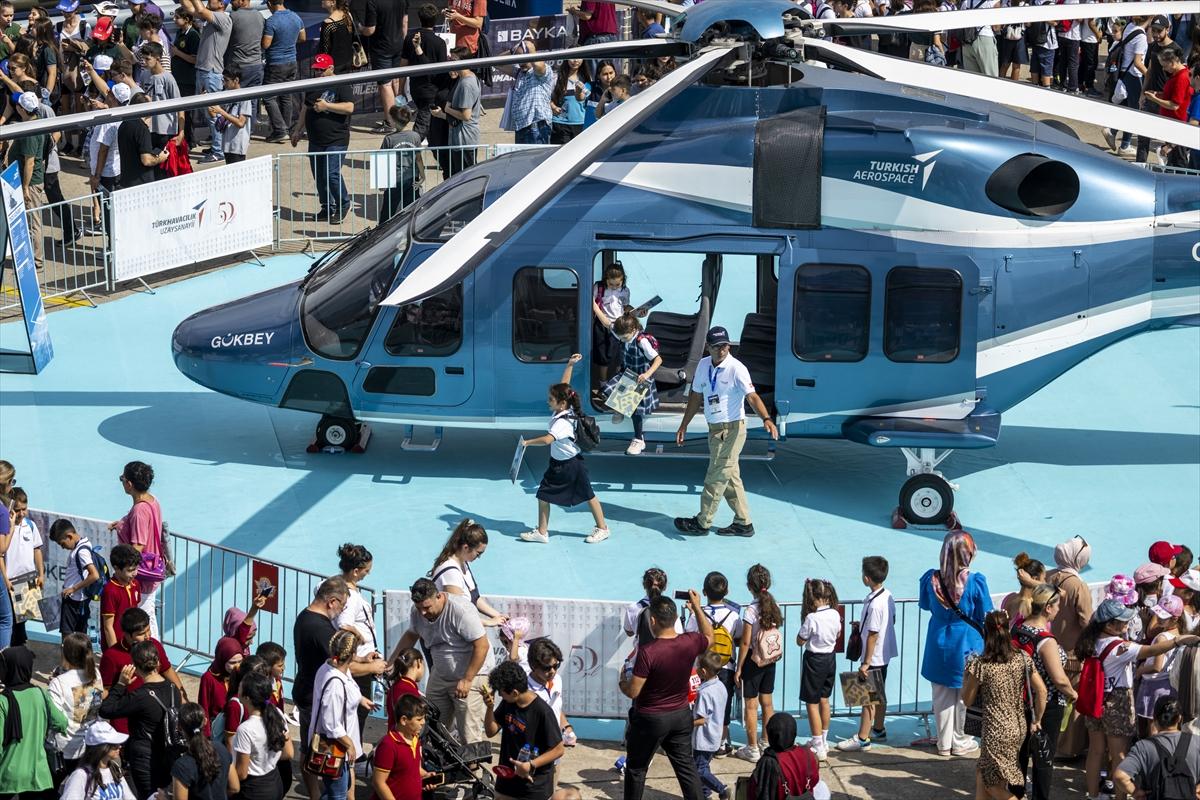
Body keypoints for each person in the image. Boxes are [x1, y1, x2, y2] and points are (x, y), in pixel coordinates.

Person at [1077, 598, 1200, 800]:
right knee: (1119, 754)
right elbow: (1152, 650)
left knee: (1096, 751)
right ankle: (1119, 798)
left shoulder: (1091, 642)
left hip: (1094, 699)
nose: (1127, 624)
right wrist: (1178, 640)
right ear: (1109, 624)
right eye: (1123, 621)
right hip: (1117, 701)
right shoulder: (1120, 647)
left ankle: (1092, 795)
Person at [674, 326, 779, 537]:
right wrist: (684, 424)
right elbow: (695, 397)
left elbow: (752, 397)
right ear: (708, 348)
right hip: (714, 430)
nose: (722, 350)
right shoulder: (703, 366)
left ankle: (702, 522)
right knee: (731, 477)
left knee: (716, 475)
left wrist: (766, 418)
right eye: (717, 347)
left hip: (733, 430)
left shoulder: (737, 368)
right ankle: (743, 523)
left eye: (725, 346)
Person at [293, 575, 386, 788]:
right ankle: (324, 793)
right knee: (316, 751)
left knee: (311, 749)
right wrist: (373, 667)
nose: (342, 611)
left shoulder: (307, 617)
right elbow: (343, 664)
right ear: (332, 601)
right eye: (342, 606)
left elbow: (337, 656)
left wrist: (362, 657)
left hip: (307, 689)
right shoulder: (320, 628)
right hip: (315, 695)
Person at [620, 590, 713, 800]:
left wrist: (621, 683)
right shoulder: (689, 642)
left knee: (636, 769)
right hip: (680, 715)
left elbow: (634, 690)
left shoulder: (648, 651)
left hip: (650, 719)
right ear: (674, 619)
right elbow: (709, 636)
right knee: (686, 769)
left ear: (653, 620)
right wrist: (697, 607)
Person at [519, 353, 611, 544]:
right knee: (543, 494)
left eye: (550, 399)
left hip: (572, 465)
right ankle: (542, 532)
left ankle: (603, 528)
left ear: (561, 403)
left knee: (589, 495)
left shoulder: (562, 423)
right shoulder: (563, 408)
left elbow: (546, 440)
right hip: (557, 464)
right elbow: (564, 385)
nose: (548, 401)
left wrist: (527, 443)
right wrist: (569, 365)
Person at [390, 578, 492, 746]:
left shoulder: (460, 610)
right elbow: (411, 634)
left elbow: (482, 645)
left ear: (439, 596)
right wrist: (392, 660)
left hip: (471, 674)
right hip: (440, 674)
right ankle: (440, 769)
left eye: (427, 607)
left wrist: (467, 679)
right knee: (432, 726)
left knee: (468, 732)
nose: (423, 613)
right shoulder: (418, 613)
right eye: (419, 607)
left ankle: (474, 771)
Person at [919, 530, 992, 757]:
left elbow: (924, 605)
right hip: (967, 643)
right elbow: (985, 612)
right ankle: (961, 742)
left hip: (938, 640)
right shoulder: (975, 582)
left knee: (941, 696)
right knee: (965, 696)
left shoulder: (930, 579)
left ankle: (943, 743)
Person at [962, 610, 1049, 800]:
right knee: (986, 774)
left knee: (990, 783)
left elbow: (967, 700)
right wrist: (1037, 720)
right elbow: (1042, 691)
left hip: (994, 729)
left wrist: (966, 677)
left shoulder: (980, 664)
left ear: (986, 632)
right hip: (1017, 728)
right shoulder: (1022, 658)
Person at [1011, 583, 1077, 800]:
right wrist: (1073, 694)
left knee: (1019, 756)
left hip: (1020, 699)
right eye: (1057, 605)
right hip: (1046, 705)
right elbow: (1058, 679)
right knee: (1043, 760)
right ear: (1048, 608)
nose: (1059, 610)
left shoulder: (1019, 629)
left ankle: (1015, 795)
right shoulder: (1045, 640)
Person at [99, 640, 185, 800]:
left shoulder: (140, 696)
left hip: (145, 761)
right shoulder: (174, 690)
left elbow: (106, 709)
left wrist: (120, 684)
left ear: (135, 667)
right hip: (168, 756)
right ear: (158, 662)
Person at [837, 556, 897, 754]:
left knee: (867, 698)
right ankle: (878, 728)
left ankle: (863, 738)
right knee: (879, 694)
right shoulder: (887, 596)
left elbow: (873, 634)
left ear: (866, 578)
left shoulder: (874, 605)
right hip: (884, 654)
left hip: (874, 656)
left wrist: (865, 662)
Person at [484, 659, 564, 800]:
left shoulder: (543, 712)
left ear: (515, 693)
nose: (501, 696)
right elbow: (491, 732)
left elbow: (559, 749)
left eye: (502, 693)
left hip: (532, 787)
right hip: (506, 782)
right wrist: (490, 708)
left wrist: (531, 765)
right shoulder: (508, 703)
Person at [684, 571, 741, 756]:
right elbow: (738, 636)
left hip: (703, 668)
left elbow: (689, 634)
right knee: (723, 706)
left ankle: (698, 741)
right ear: (727, 591)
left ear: (704, 592)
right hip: (726, 666)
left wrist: (694, 611)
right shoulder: (733, 615)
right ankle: (722, 744)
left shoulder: (697, 616)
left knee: (699, 705)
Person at [291, 53, 353, 224]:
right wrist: (297, 130)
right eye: (316, 70)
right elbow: (305, 108)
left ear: (331, 68)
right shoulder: (313, 84)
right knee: (319, 175)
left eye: (321, 70)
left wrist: (327, 106)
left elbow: (349, 107)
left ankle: (343, 204)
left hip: (336, 139)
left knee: (331, 174)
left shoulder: (341, 84)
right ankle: (327, 207)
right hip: (316, 140)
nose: (318, 73)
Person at [311, 629, 372, 800]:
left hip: (339, 748)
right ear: (352, 655)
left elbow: (349, 686)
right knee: (337, 795)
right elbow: (331, 723)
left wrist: (360, 699)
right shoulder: (335, 684)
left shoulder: (330, 666)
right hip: (336, 748)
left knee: (334, 791)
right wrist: (349, 744)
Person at [0, 646, 70, 796]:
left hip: (8, 775)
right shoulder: (41, 693)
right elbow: (62, 723)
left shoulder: (2, 701)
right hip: (39, 774)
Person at [109, 460, 165, 639]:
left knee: (144, 618)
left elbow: (138, 546)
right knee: (150, 616)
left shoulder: (139, 511)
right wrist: (123, 524)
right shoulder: (152, 500)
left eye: (122, 479)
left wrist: (122, 570)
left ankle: (152, 656)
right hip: (153, 566)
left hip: (142, 575)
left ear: (129, 484)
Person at [332, 542, 382, 735]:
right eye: (366, 571)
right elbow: (344, 624)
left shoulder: (336, 584)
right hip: (358, 663)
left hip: (361, 657)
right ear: (355, 571)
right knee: (359, 711)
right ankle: (355, 753)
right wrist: (360, 637)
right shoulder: (350, 596)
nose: (367, 574)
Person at [734, 564, 781, 763]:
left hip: (753, 661)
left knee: (751, 707)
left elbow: (745, 642)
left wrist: (738, 667)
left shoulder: (751, 610)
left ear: (749, 586)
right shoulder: (772, 605)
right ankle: (766, 741)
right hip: (770, 659)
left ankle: (752, 748)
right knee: (768, 703)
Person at [1114, 696, 1200, 799]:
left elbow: (1120, 776)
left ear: (1154, 720)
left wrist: (1135, 792)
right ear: (1179, 718)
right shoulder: (1197, 742)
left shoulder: (1143, 747)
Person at [603, 313, 662, 456]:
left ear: (634, 330)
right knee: (607, 389)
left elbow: (658, 360)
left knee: (636, 410)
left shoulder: (642, 342)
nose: (622, 340)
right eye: (620, 337)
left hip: (641, 377)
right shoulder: (622, 332)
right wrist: (593, 304)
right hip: (628, 374)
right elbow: (607, 323)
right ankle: (620, 407)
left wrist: (647, 375)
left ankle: (638, 439)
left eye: (624, 338)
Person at [180, 0, 233, 162]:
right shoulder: (212, 17)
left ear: (222, 4)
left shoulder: (223, 18)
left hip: (211, 72)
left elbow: (201, 10)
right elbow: (189, 8)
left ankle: (218, 151)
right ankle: (218, 146)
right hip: (205, 71)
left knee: (213, 114)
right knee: (208, 113)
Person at [430, 519, 508, 625]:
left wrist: (498, 615)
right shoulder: (450, 573)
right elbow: (457, 614)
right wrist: (489, 622)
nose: (479, 557)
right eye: (478, 553)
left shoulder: (463, 563)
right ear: (466, 548)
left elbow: (474, 598)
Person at [795, 579, 840, 762]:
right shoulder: (835, 614)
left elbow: (800, 640)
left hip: (814, 660)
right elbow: (837, 633)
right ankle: (824, 738)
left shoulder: (812, 618)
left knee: (811, 702)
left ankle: (817, 744)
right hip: (830, 658)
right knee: (824, 699)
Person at [48, 633, 105, 772]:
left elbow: (55, 719)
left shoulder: (59, 683)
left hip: (65, 749)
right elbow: (97, 704)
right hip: (90, 744)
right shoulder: (95, 673)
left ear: (66, 654)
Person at [747, 708, 831, 800]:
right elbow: (814, 781)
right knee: (822, 786)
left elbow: (754, 791)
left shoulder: (768, 762)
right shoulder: (809, 754)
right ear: (794, 734)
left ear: (770, 735)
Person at [234, 672, 292, 800]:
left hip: (253, 790)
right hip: (274, 781)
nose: (238, 688)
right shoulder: (277, 713)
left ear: (247, 697)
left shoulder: (245, 729)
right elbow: (288, 752)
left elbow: (242, 773)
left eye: (240, 687)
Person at [6, 92, 47, 270]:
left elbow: (29, 162)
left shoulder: (31, 130)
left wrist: (25, 187)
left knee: (33, 222)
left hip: (30, 183)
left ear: (22, 109)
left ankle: (36, 261)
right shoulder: (37, 121)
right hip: (29, 181)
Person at [0, 488, 44, 648]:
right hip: (10, 582)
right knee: (8, 620)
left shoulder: (30, 526)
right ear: (10, 508)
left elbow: (37, 549)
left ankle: (20, 648)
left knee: (23, 619)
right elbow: (0, 555)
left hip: (28, 581)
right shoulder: (5, 529)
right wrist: (5, 579)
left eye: (24, 509)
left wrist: (41, 574)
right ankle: (8, 651)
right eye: (17, 510)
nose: (21, 513)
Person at [1135, 595, 1186, 733]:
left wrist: (1141, 669)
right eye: (1158, 614)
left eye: (1163, 616)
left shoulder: (1162, 638)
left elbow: (1157, 666)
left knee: (1153, 724)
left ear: (1175, 618)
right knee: (1167, 726)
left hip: (1154, 685)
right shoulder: (1179, 635)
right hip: (1169, 684)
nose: (1158, 618)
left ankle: (1154, 753)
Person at [398, 4, 449, 141]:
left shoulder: (409, 38)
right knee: (422, 128)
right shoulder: (439, 43)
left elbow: (403, 66)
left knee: (431, 127)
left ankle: (421, 155)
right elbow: (443, 72)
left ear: (419, 18)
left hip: (415, 89)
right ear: (435, 20)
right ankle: (409, 152)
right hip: (431, 92)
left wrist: (400, 89)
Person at [1103, 15, 1151, 158]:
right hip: (1134, 75)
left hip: (1123, 72)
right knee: (1134, 112)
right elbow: (1137, 62)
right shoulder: (1141, 37)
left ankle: (1113, 131)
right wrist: (1149, 74)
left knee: (1125, 108)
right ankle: (1124, 144)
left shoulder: (1129, 27)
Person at [372, 693, 435, 800]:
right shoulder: (388, 745)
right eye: (419, 719)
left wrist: (425, 775)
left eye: (424, 718)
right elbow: (378, 782)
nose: (423, 722)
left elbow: (414, 768)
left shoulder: (415, 739)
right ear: (404, 720)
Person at [172, 701, 238, 800]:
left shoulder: (182, 765)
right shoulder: (221, 749)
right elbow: (234, 788)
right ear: (205, 721)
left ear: (179, 727)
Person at [59, 721, 139, 800]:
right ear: (101, 748)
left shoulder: (114, 768)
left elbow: (129, 797)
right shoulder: (81, 775)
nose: (119, 746)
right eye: (114, 744)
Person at [359, 0, 407, 132]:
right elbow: (405, 23)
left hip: (381, 48)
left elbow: (370, 30)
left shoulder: (373, 2)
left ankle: (391, 123)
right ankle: (400, 119)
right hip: (398, 45)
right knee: (395, 82)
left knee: (385, 84)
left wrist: (360, 28)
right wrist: (402, 41)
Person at [261, 0, 304, 143]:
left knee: (268, 97)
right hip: (292, 62)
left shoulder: (272, 21)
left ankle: (280, 130)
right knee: (286, 97)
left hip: (276, 63)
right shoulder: (295, 17)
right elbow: (303, 37)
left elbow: (266, 44)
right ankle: (285, 128)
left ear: (269, 4)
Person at [433, 47, 481, 179]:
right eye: (450, 59)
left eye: (453, 60)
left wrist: (447, 110)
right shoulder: (463, 79)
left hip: (465, 141)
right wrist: (442, 115)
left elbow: (466, 115)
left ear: (463, 62)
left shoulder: (466, 84)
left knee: (465, 180)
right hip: (458, 140)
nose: (450, 62)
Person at [49, 518, 100, 635]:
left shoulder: (81, 552)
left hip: (73, 600)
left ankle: (67, 654)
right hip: (80, 600)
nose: (62, 547)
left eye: (62, 543)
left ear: (70, 536)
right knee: (80, 637)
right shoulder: (85, 543)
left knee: (67, 638)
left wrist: (73, 588)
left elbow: (94, 575)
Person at [500, 40, 553, 145]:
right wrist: (512, 51)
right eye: (518, 58)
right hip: (520, 127)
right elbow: (497, 63)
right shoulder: (519, 73)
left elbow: (539, 66)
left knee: (536, 161)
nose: (521, 61)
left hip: (536, 126)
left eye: (524, 57)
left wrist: (531, 50)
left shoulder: (541, 72)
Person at [692, 650, 728, 800]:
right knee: (704, 767)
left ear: (704, 671)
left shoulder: (704, 693)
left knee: (699, 770)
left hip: (703, 740)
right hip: (715, 736)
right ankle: (705, 795)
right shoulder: (721, 686)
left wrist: (686, 723)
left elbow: (702, 720)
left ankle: (722, 789)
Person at [527, 638, 575, 747]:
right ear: (533, 666)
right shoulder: (524, 689)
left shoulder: (557, 680)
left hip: (555, 750)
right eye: (546, 668)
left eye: (556, 666)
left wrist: (566, 728)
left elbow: (555, 708)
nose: (552, 671)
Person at [378, 105, 424, 221]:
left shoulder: (389, 139)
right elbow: (418, 158)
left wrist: (382, 183)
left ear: (393, 121)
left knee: (388, 210)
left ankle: (381, 232)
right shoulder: (415, 136)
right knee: (412, 210)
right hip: (412, 178)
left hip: (395, 180)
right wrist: (422, 176)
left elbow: (383, 161)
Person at [591, 262, 633, 383]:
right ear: (606, 279)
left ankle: (616, 382)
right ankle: (602, 382)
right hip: (602, 325)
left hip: (619, 325)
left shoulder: (625, 290)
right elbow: (593, 304)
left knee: (619, 355)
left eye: (617, 284)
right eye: (611, 284)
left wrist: (636, 310)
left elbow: (625, 307)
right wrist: (603, 319)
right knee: (603, 355)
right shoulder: (599, 287)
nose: (614, 287)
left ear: (622, 280)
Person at [138, 41, 183, 152]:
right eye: (143, 59)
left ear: (157, 58)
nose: (144, 62)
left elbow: (180, 106)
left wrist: (181, 132)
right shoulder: (144, 75)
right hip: (148, 127)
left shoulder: (168, 78)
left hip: (165, 129)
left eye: (147, 59)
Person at [117, 95, 168, 188]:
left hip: (127, 181)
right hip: (141, 185)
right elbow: (147, 160)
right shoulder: (141, 129)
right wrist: (161, 157)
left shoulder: (124, 124)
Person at [199, 637, 244, 738]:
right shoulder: (209, 678)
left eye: (240, 661)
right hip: (218, 730)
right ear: (222, 659)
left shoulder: (242, 674)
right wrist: (206, 736)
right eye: (232, 663)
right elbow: (204, 707)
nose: (237, 666)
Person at [100, 544, 141, 652]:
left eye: (136, 568)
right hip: (116, 646)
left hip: (132, 645)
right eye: (130, 570)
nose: (135, 573)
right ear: (116, 568)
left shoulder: (135, 584)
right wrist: (115, 654)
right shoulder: (110, 591)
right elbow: (108, 627)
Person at [208, 64, 252, 163]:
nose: (224, 84)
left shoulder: (245, 98)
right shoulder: (229, 95)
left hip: (237, 146)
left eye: (226, 80)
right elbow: (217, 117)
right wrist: (211, 108)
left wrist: (221, 111)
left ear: (236, 80)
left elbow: (241, 123)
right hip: (227, 145)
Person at [170, 9, 200, 147]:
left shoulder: (193, 35)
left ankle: (190, 140)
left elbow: (194, 59)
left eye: (177, 17)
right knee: (180, 112)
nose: (174, 20)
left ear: (186, 19)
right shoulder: (179, 33)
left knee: (187, 113)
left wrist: (177, 52)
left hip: (188, 80)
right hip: (178, 78)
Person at [999, 552, 1045, 627]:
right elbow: (1059, 592)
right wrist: (1031, 582)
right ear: (1035, 579)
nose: (1045, 582)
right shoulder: (1032, 606)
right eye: (1044, 578)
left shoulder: (1009, 597)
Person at [550, 59, 590, 144]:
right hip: (560, 124)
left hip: (580, 123)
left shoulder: (586, 78)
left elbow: (583, 99)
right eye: (572, 57)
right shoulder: (556, 77)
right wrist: (553, 107)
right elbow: (547, 97)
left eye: (579, 57)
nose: (575, 60)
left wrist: (579, 92)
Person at [384, 647, 424, 730]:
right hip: (404, 739)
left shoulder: (396, 685)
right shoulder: (410, 691)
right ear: (419, 663)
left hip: (393, 735)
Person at [226, 0, 263, 88]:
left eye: (232, 0)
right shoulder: (259, 15)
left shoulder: (233, 16)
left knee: (238, 100)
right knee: (254, 99)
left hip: (239, 67)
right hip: (256, 66)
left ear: (241, 1)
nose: (230, 3)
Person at [317, 0, 354, 74]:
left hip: (334, 68)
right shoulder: (347, 14)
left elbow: (324, 51)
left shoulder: (328, 23)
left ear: (333, 2)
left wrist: (325, 71)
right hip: (348, 61)